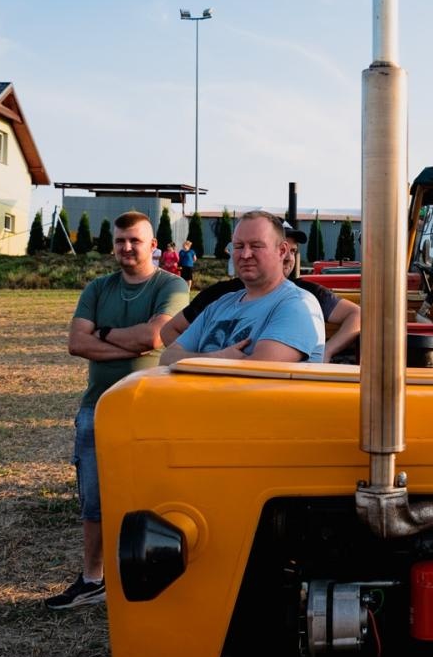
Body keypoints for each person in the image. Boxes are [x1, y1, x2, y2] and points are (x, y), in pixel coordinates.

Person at [48, 212, 188, 610]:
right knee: (93, 500)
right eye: (121, 241)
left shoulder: (171, 285)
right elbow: (77, 343)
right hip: (98, 406)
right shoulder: (98, 288)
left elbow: (156, 335)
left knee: (156, 495)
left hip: (153, 408)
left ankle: (157, 576)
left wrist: (104, 334)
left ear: (153, 244)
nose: (127, 248)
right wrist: (133, 345)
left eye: (136, 241)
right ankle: (93, 579)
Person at [160, 222, 359, 362]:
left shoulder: (303, 300)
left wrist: (329, 351)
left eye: (293, 250)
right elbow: (167, 354)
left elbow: (257, 370)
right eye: (240, 246)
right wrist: (212, 358)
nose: (246, 254)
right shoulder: (220, 299)